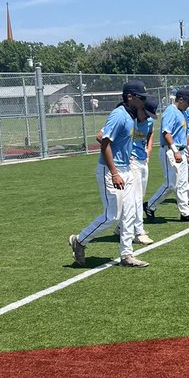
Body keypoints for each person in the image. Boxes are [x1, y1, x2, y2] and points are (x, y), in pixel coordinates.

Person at [68, 81, 150, 269]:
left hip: (126, 169)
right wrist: (114, 173)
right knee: (112, 216)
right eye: (141, 97)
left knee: (129, 213)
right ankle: (79, 240)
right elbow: (104, 143)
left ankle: (127, 255)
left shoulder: (130, 116)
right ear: (130, 97)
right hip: (111, 170)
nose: (143, 101)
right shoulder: (119, 115)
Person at [145, 88, 189, 222]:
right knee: (171, 184)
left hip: (181, 151)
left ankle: (185, 213)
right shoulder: (170, 111)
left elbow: (185, 134)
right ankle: (150, 206)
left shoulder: (182, 112)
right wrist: (175, 150)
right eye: (188, 102)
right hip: (169, 150)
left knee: (182, 184)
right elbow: (166, 132)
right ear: (180, 99)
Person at [129, 95, 158, 244]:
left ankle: (122, 228)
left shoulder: (149, 121)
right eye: (146, 113)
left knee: (140, 196)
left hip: (143, 160)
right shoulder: (130, 120)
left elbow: (151, 133)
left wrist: (149, 149)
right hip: (131, 161)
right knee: (136, 198)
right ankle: (138, 232)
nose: (147, 117)